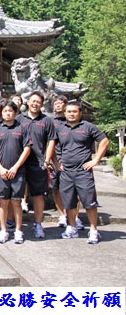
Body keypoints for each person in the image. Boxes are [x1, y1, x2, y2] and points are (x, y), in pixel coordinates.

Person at [53, 101, 109, 244]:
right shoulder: (60, 128)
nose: (71, 114)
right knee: (69, 202)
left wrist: (95, 160)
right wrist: (56, 162)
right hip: (66, 171)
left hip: (83, 171)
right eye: (69, 112)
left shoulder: (88, 127)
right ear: (64, 113)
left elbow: (104, 141)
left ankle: (94, 230)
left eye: (74, 111)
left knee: (89, 202)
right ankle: (71, 227)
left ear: (80, 113)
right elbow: (51, 145)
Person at [0, 100, 31, 244]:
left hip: (17, 172)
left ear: (15, 112)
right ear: (1, 112)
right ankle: (3, 230)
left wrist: (15, 167)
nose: (7, 113)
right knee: (3, 202)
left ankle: (18, 231)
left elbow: (27, 149)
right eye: (5, 111)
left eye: (10, 111)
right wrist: (0, 168)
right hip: (1, 172)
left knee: (16, 202)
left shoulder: (22, 128)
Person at [16, 91, 56, 239]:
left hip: (38, 162)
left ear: (42, 104)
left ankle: (38, 224)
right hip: (19, 161)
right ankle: (12, 222)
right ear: (27, 102)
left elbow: (51, 140)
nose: (35, 104)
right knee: (15, 195)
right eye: (33, 101)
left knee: (38, 195)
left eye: (38, 102)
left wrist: (47, 159)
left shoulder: (47, 120)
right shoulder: (19, 118)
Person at [51, 95, 69, 228]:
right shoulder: (50, 122)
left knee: (73, 190)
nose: (58, 105)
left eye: (61, 103)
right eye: (56, 103)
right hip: (55, 158)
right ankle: (62, 215)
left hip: (70, 158)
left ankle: (74, 215)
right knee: (56, 188)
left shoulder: (71, 121)